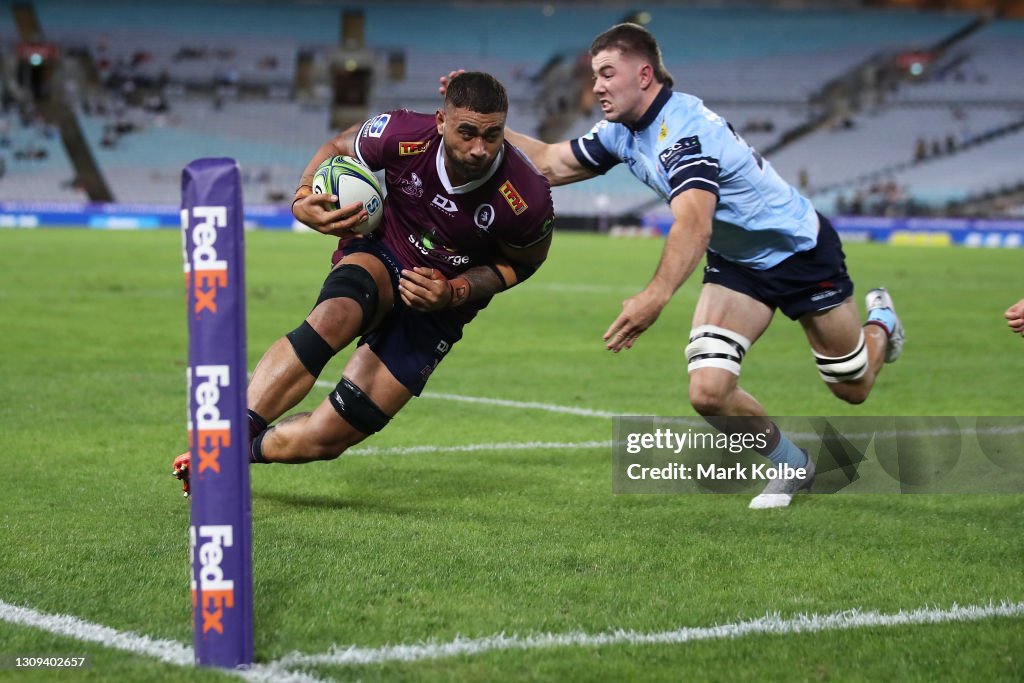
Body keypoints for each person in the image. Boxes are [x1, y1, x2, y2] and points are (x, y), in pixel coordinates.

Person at [443, 24, 904, 509]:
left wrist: (655, 295)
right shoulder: (622, 131)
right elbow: (550, 164)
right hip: (738, 265)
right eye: (594, 75)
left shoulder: (685, 131)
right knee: (708, 391)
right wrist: (481, 124)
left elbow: (694, 223)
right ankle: (793, 465)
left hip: (801, 254)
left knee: (852, 386)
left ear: (643, 75)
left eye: (606, 73)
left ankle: (882, 326)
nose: (596, 85)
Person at [173, 72, 554, 494]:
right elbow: (338, 147)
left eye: (492, 134)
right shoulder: (405, 134)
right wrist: (302, 199)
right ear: (441, 121)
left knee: (325, 437)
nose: (479, 148)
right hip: (383, 253)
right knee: (335, 315)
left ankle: (236, 457)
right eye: (467, 133)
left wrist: (455, 291)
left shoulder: (527, 196)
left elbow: (523, 264)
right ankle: (222, 443)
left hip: (439, 310)